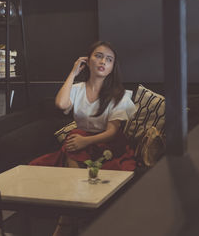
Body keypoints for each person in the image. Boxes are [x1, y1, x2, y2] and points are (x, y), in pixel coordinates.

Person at [29, 41, 137, 236]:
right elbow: (61, 104)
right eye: (98, 56)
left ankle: (66, 221)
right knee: (75, 138)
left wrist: (85, 141)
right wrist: (73, 73)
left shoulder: (118, 95)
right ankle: (75, 212)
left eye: (109, 59)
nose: (103, 61)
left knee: (76, 139)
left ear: (113, 67)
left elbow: (113, 132)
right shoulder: (78, 88)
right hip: (80, 143)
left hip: (108, 144)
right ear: (88, 61)